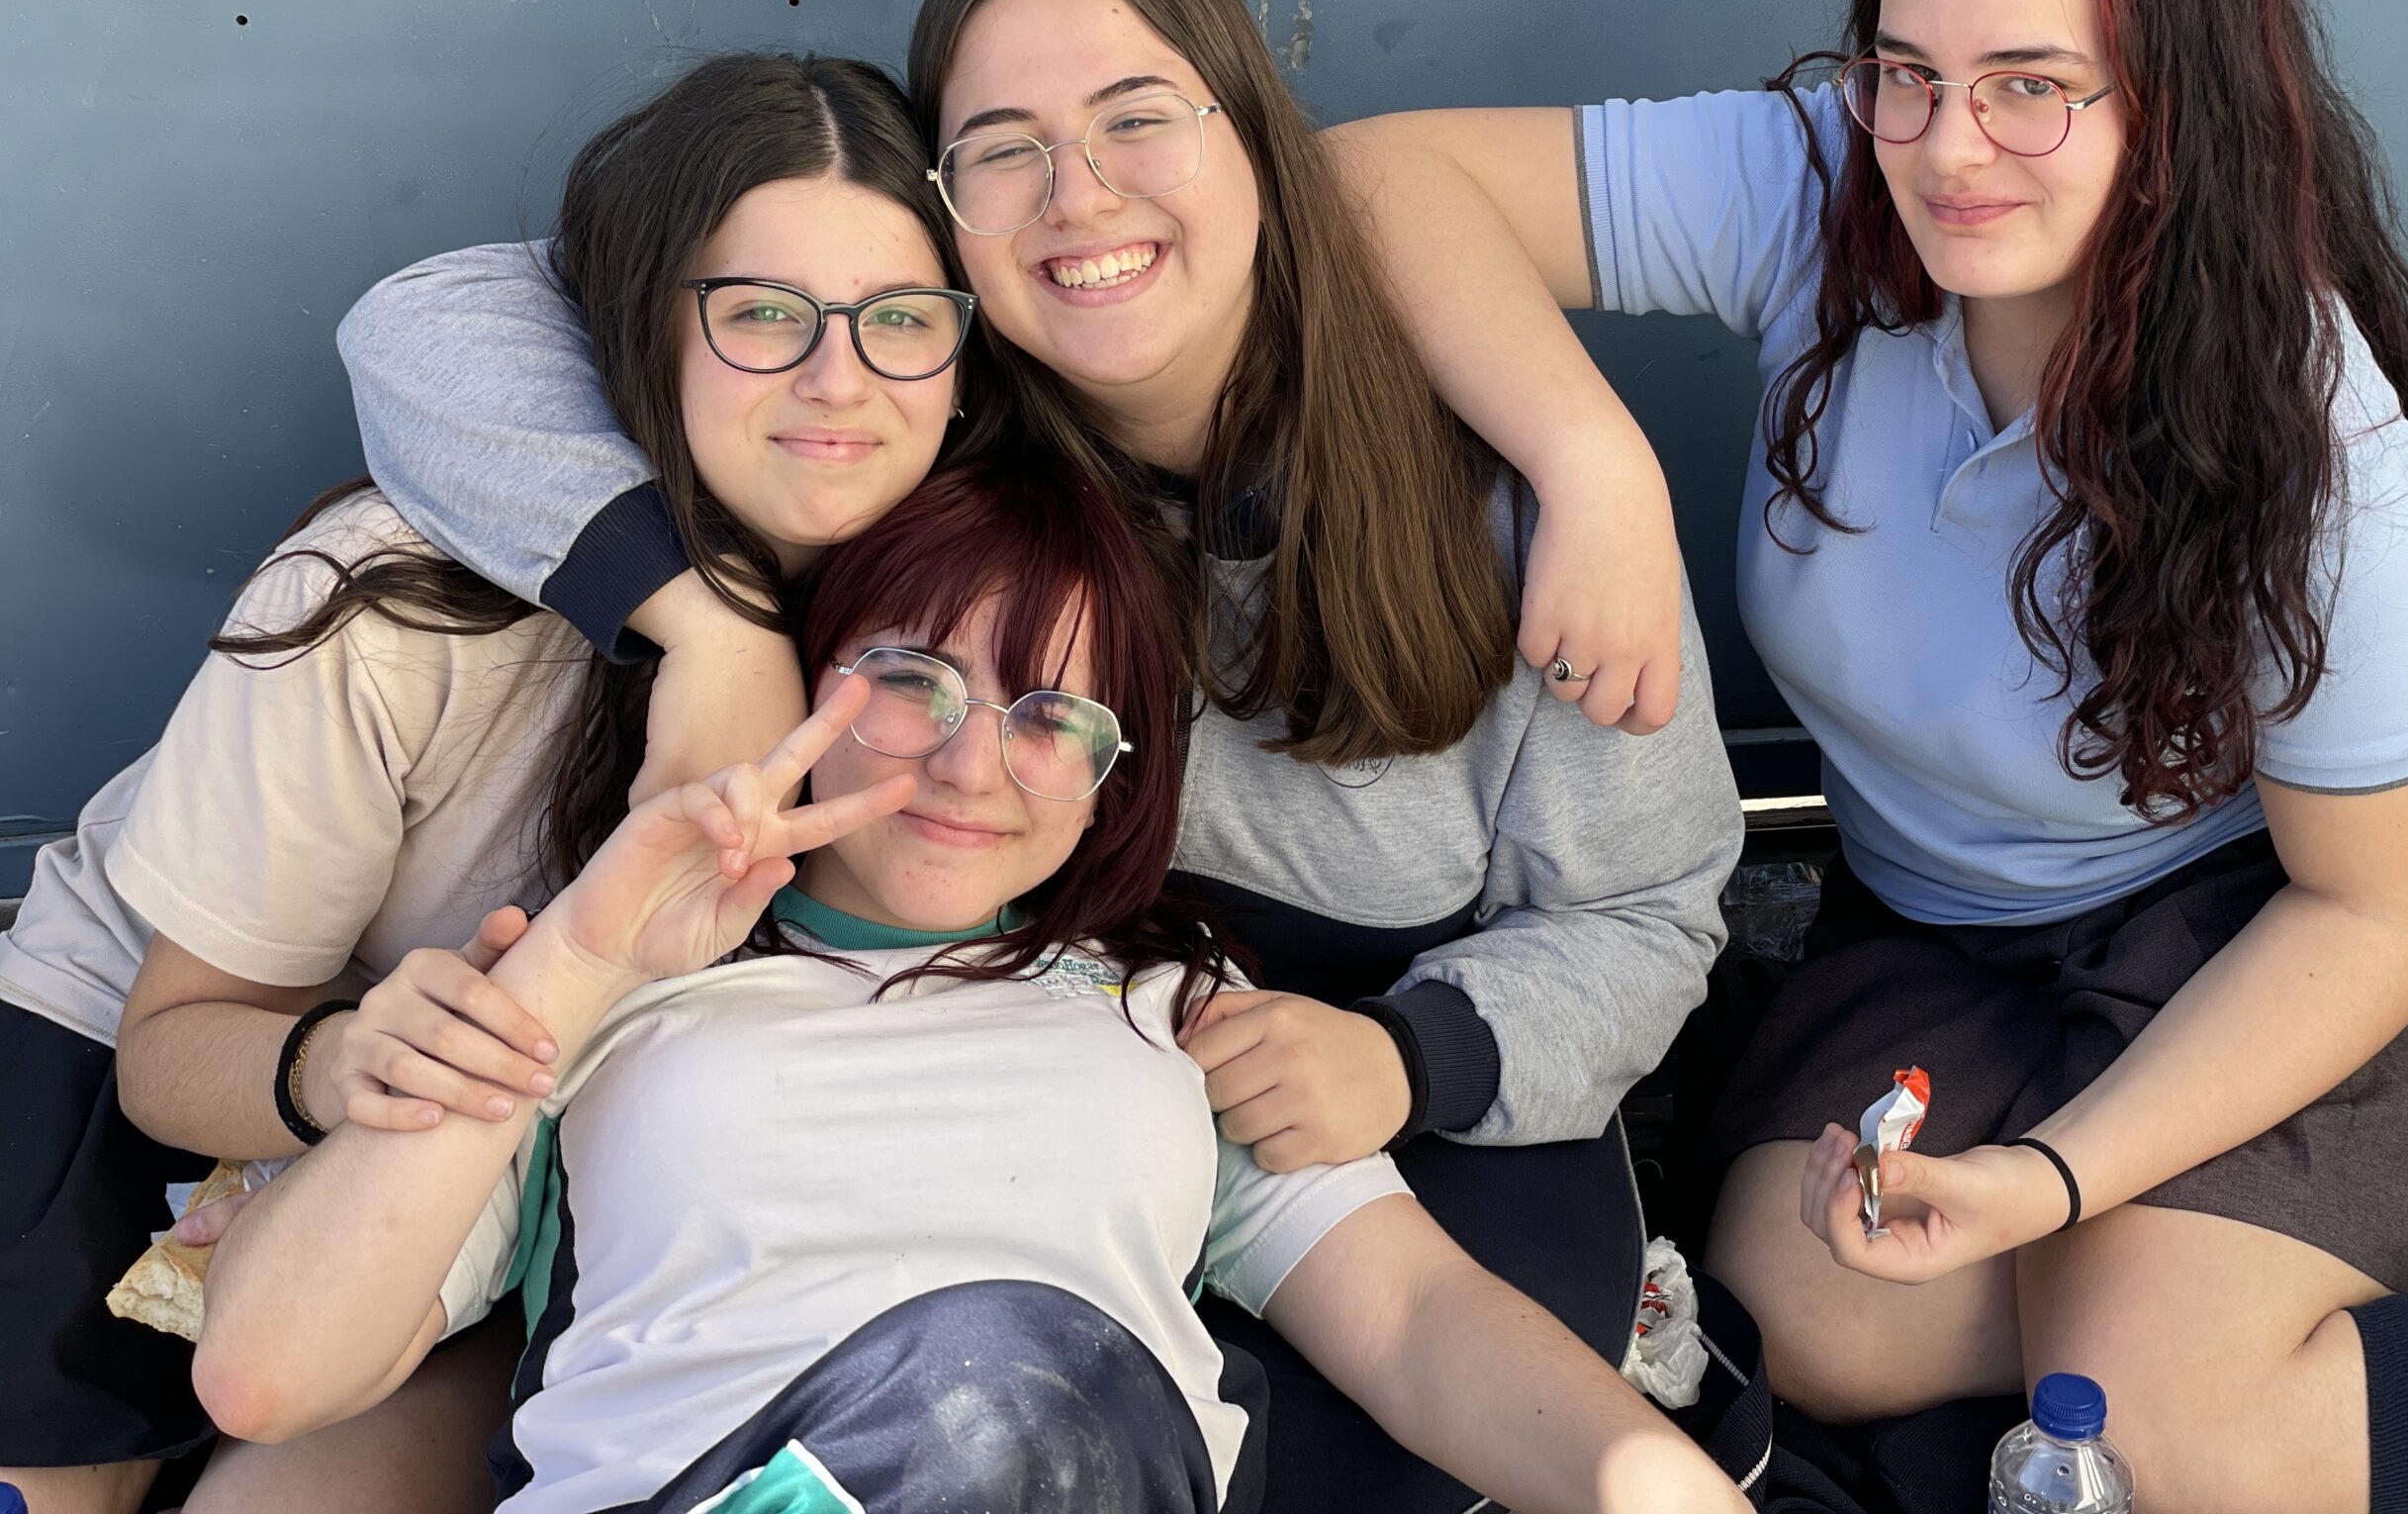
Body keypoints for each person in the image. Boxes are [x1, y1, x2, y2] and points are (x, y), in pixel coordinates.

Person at [330, 0, 1743, 1506]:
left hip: (1377, 1104)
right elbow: (432, 324)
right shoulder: (924, 407)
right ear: (945, 211)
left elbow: (1649, 914)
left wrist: (1409, 1057)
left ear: (1255, 140)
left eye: (1139, 118)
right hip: (1005, 1068)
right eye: (1003, 151)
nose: (1079, 197)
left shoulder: (1500, 504)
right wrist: (715, 631)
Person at [1332, 0, 2408, 1514]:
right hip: (1952, 936)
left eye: (2031, 87)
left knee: (2136, 1423)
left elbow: (2375, 912)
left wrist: (2053, 1181)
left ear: (2174, 103)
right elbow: (1373, 184)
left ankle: (2233, 1328)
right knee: (1810, 1315)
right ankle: (2185, 1289)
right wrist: (1596, 467)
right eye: (1909, 73)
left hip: (2273, 918)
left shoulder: (2318, 446)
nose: (1950, 149)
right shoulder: (1833, 178)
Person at [191, 456, 1745, 1514]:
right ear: (803, 681)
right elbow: (266, 1371)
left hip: (1067, 1453)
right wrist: (585, 956)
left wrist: (1669, 1492)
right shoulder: (600, 994)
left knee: (1023, 1383)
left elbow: (1414, 1323)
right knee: (997, 1382)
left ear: (1114, 776)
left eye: (1052, 718)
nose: (970, 763)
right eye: (911, 681)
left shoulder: (1168, 1010)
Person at [0, 52, 973, 1514]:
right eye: (763, 314)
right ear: (648, 334)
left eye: (899, 319)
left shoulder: (971, 617)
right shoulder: (395, 600)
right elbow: (175, 1052)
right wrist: (339, 1064)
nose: (839, 379)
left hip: (510, 1168)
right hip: (179, 1067)